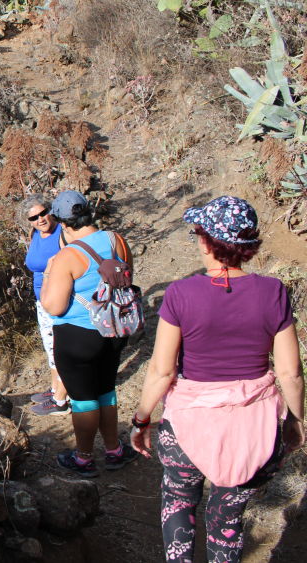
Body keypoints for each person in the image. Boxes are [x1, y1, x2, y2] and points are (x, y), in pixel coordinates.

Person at [130, 196, 304, 562]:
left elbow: (163, 370)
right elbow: (289, 372)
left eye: (197, 233)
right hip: (255, 428)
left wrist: (142, 419)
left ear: (210, 241)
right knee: (227, 517)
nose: (196, 240)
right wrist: (294, 419)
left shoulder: (180, 294)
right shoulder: (273, 292)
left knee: (179, 500)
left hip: (188, 426)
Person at [40, 190, 137, 476]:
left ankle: (83, 457)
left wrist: (48, 274)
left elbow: (54, 307)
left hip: (77, 334)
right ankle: (114, 450)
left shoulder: (67, 257)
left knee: (83, 398)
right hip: (115, 328)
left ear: (62, 222)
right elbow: (127, 275)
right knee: (106, 390)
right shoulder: (115, 239)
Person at [21, 196, 69, 416]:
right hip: (42, 300)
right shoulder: (36, 235)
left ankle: (62, 399)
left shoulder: (63, 233)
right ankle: (54, 388)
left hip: (60, 299)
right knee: (50, 347)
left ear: (51, 211)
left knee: (61, 349)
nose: (40, 219)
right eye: (34, 217)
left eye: (43, 213)